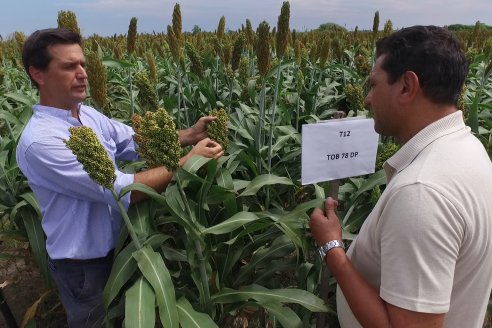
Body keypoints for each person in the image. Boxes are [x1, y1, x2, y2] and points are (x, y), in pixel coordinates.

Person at [16, 28, 223, 327]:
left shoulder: (85, 114)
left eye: (83, 64)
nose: (83, 73)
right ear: (38, 74)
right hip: (84, 269)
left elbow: (134, 141)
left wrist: (190, 134)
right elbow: (120, 190)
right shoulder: (41, 141)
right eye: (69, 66)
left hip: (123, 247)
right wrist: (188, 162)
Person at [309, 25, 492, 328]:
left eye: (374, 84)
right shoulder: (469, 149)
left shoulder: (423, 192)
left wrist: (333, 250)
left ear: (407, 86)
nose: (367, 99)